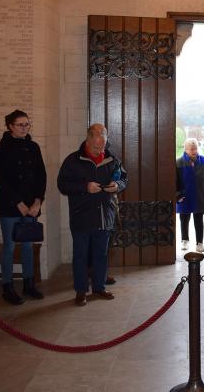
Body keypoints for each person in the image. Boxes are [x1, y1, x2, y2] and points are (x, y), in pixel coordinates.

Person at [57, 124, 127, 307]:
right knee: (80, 255)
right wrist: (84, 187)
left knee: (101, 254)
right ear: (87, 140)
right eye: (96, 147)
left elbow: (123, 178)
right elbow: (62, 185)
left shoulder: (112, 159)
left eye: (103, 146)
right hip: (81, 215)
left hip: (104, 214)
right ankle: (81, 291)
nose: (100, 150)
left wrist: (117, 185)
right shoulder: (72, 160)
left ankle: (99, 287)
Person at [0, 110, 47, 305]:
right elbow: (1, 179)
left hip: (31, 206)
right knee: (9, 246)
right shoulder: (1, 148)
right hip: (10, 205)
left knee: (27, 245)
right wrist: (19, 203)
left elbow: (42, 175)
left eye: (27, 124)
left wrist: (38, 201)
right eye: (20, 125)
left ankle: (28, 284)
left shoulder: (33, 147)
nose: (24, 128)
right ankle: (7, 287)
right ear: (10, 126)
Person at [176, 138, 204, 253]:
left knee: (199, 219)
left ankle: (199, 243)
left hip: (200, 195)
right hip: (184, 196)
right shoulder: (179, 162)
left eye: (195, 148)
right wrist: (178, 195)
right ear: (185, 149)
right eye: (191, 149)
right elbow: (175, 180)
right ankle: (185, 240)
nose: (194, 151)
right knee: (184, 218)